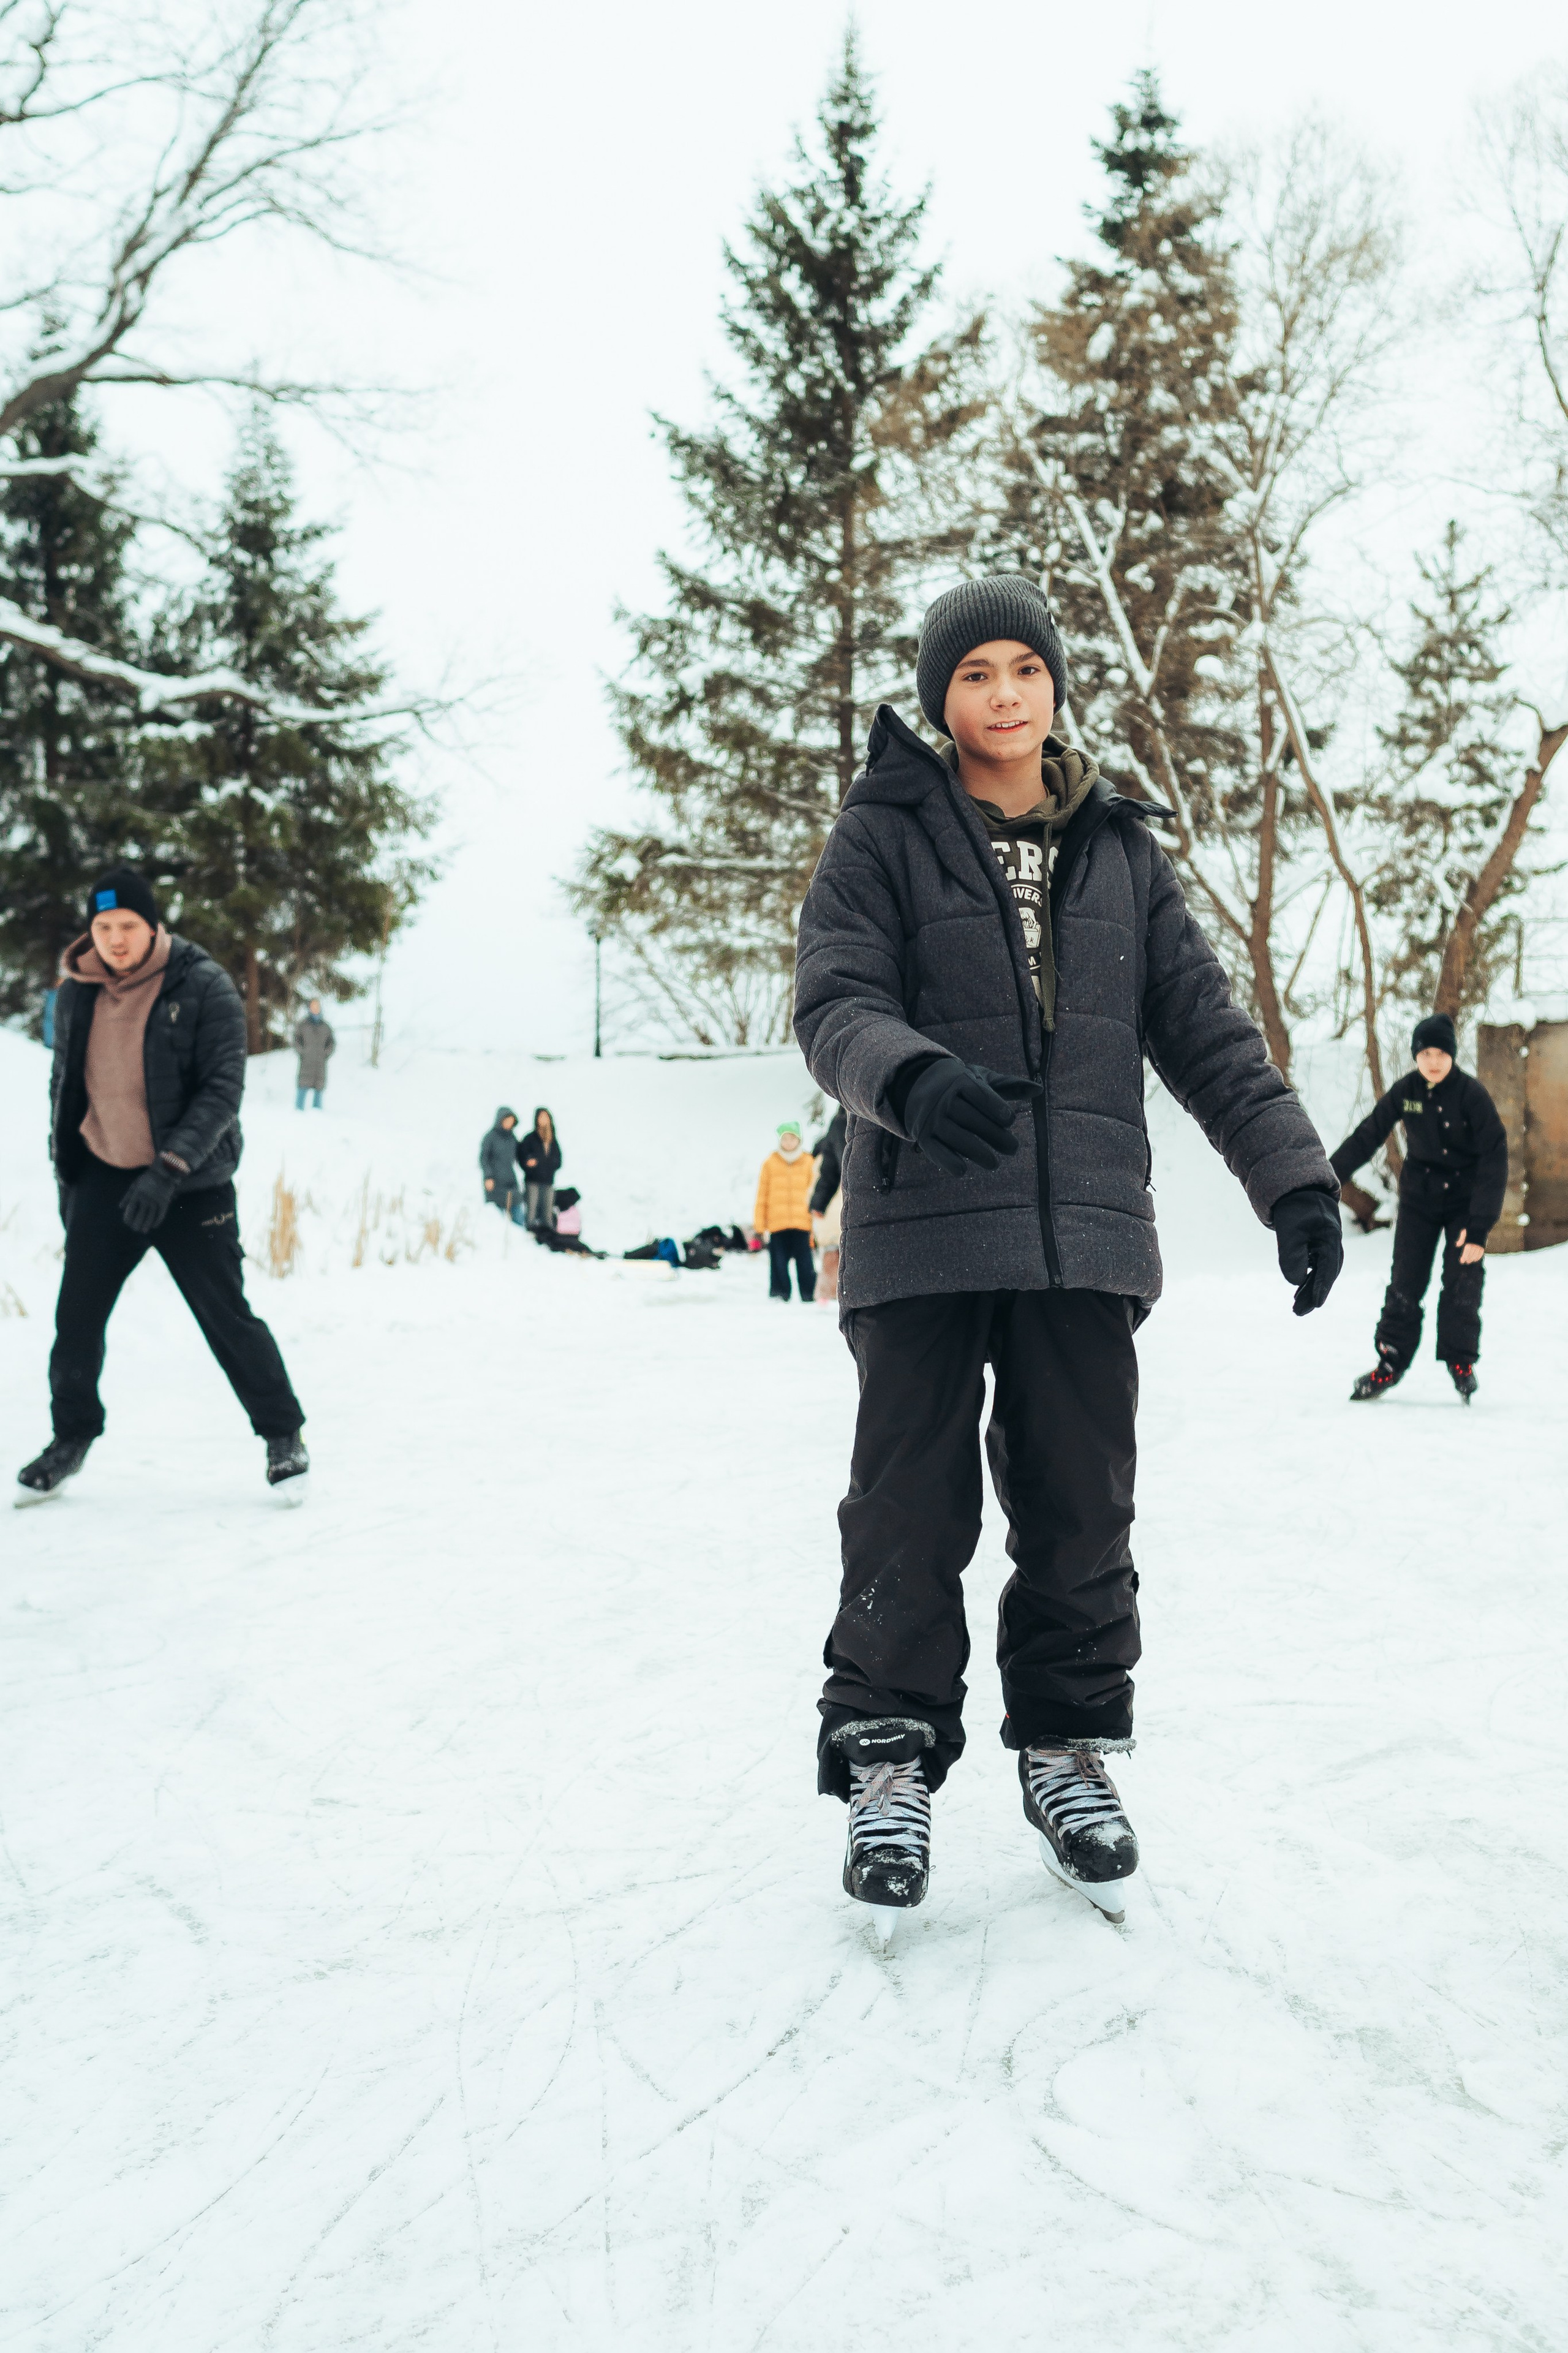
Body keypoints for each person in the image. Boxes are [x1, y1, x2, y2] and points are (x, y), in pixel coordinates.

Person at [793, 576, 1342, 1928]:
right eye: (975, 673)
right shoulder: (880, 834)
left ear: (1054, 684)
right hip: (924, 1225)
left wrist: (1293, 1180)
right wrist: (910, 1078)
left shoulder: (1118, 849)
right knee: (908, 1507)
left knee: (1081, 1508)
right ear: (941, 698)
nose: (1004, 695)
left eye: (1024, 669)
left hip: (1085, 1233)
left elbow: (1205, 1030)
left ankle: (1067, 1748)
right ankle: (887, 1762)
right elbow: (834, 1002)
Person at [16, 867, 308, 1506]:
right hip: (104, 1175)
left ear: (152, 926)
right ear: (90, 931)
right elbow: (64, 1083)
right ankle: (71, 1437)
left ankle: (282, 1433)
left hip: (191, 1181)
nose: (116, 939)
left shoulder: (202, 984)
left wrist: (169, 1168)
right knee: (77, 1319)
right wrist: (69, 1173)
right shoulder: (77, 992)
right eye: (103, 927)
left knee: (225, 1314)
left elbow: (222, 1089)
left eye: (128, 925)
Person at [1330, 1011, 1507, 1404]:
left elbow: (1495, 1159)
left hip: (1463, 1204)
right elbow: (1369, 1134)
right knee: (1405, 1282)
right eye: (1425, 1053)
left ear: (1452, 1055)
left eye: (1441, 1053)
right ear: (1416, 1056)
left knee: (1463, 1279)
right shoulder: (1407, 1091)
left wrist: (1479, 1227)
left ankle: (1461, 1362)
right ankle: (1390, 1362)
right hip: (1419, 1202)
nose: (1433, 1061)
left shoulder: (1471, 1095)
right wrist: (1329, 1176)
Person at [755, 1122, 818, 1302]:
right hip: (777, 1224)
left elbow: (816, 1193)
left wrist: (816, 1222)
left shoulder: (809, 1162)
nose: (788, 1142)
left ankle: (809, 1295)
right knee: (778, 1264)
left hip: (802, 1223)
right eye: (785, 1139)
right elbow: (762, 1196)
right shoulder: (770, 1163)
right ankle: (779, 1295)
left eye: (792, 1138)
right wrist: (760, 1225)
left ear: (799, 1140)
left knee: (806, 1264)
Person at [811, 1105, 846, 1304]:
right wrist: (820, 1201)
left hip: (879, 1196)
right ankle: (829, 1294)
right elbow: (829, 1168)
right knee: (834, 1252)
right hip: (849, 1201)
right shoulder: (840, 1122)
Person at [480, 1107, 527, 1222]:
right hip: (495, 1183)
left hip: (510, 1182)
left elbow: (520, 1156)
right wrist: (488, 1177)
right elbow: (484, 1159)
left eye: (512, 1121)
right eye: (507, 1120)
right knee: (496, 1221)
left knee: (519, 1219)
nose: (509, 1123)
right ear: (500, 1120)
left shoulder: (512, 1138)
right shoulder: (490, 1137)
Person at [519, 1108, 561, 1232]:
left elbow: (558, 1161)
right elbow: (522, 1156)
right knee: (531, 1212)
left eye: (546, 1117)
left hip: (548, 1181)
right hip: (533, 1182)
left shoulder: (552, 1140)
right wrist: (530, 1164)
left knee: (547, 1213)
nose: (543, 1120)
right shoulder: (530, 1138)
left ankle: (548, 1234)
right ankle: (530, 1234)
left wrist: (548, 1165)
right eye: (541, 1117)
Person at [293, 998, 334, 1109]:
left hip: (320, 1064)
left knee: (319, 1089)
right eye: (313, 1006)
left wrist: (325, 1054)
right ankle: (298, 1112)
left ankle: (317, 1114)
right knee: (302, 1087)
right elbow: (296, 1041)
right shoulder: (303, 1025)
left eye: (317, 1006)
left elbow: (331, 1044)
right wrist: (303, 1052)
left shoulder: (326, 1027)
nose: (315, 1008)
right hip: (306, 1063)